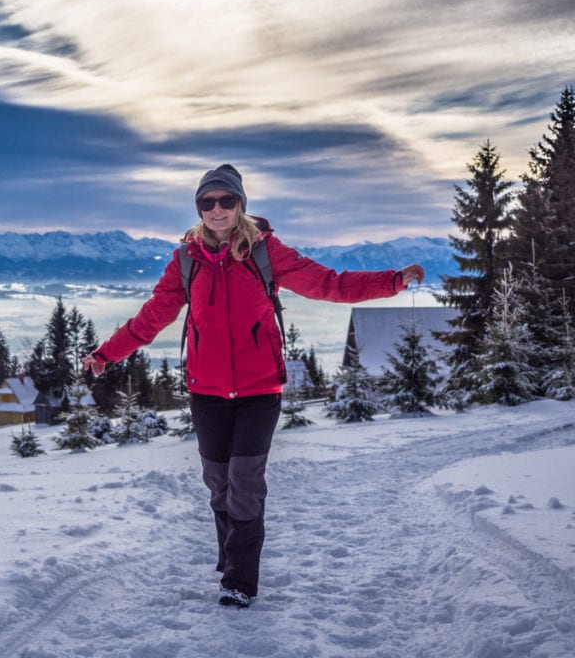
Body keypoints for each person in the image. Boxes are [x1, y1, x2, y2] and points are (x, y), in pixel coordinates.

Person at [82, 164, 424, 609]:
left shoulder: (265, 251)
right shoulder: (186, 260)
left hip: (259, 389)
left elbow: (328, 284)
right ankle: (231, 556)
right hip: (207, 391)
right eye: (208, 202)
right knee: (218, 483)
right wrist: (106, 353)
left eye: (226, 200)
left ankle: (239, 580)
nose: (218, 209)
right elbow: (151, 319)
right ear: (199, 209)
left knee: (244, 482)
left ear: (241, 204)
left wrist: (392, 281)